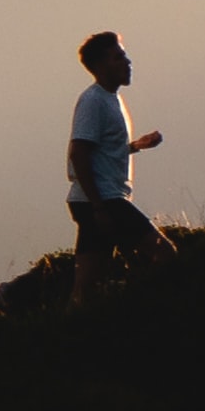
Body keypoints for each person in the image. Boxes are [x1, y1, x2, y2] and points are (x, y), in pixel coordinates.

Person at [65, 32, 167, 269]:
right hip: (105, 199)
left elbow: (101, 151)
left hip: (99, 200)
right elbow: (78, 153)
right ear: (101, 66)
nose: (127, 62)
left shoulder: (112, 99)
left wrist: (136, 146)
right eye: (118, 58)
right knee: (163, 254)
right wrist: (98, 207)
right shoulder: (93, 101)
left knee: (89, 282)